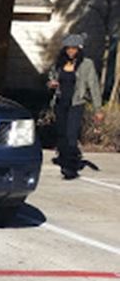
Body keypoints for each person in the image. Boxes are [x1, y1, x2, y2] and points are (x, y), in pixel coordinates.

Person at [46, 33, 104, 180]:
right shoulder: (59, 64)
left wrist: (98, 109)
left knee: (72, 135)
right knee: (62, 135)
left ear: (79, 49)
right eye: (68, 49)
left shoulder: (86, 64)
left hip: (76, 104)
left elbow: (94, 86)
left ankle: (70, 167)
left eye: (74, 49)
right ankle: (63, 158)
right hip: (60, 103)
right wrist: (51, 84)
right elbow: (50, 79)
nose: (71, 52)